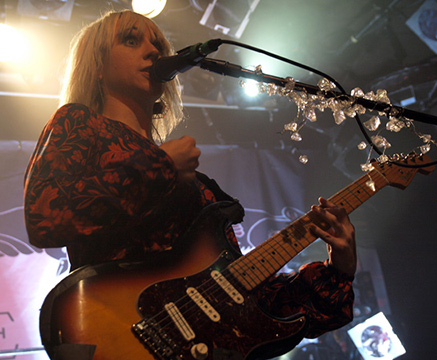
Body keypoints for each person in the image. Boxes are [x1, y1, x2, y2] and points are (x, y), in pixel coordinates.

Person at [23, 9, 357, 360]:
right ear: (96, 63)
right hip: (116, 331)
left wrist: (340, 268)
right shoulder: (79, 122)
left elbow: (251, 303)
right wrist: (160, 166)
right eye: (132, 40)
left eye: (159, 44)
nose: (154, 52)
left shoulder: (198, 186)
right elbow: (46, 217)